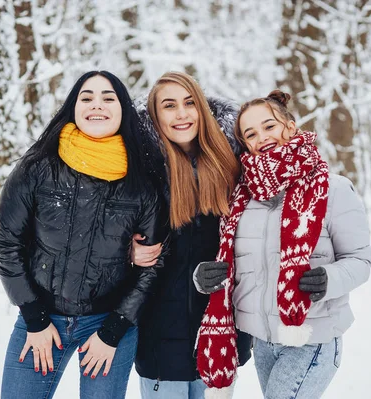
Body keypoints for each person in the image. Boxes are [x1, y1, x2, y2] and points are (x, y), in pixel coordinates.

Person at [0, 71, 164, 399]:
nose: (96, 105)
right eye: (86, 97)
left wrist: (114, 331)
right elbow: (6, 241)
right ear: (73, 107)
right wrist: (35, 318)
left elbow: (152, 265)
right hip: (41, 321)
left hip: (109, 325)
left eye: (108, 98)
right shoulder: (38, 168)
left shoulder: (142, 183)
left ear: (123, 109)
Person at [193, 90, 371, 399]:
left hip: (312, 335)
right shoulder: (241, 199)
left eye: (269, 126)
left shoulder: (333, 188)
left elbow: (359, 260)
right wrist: (203, 277)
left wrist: (330, 279)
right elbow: (234, 266)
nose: (261, 137)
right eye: (250, 133)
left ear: (290, 127)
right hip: (263, 340)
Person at [130, 71, 252, 399]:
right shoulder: (141, 170)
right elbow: (106, 228)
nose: (182, 113)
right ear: (155, 116)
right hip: (161, 340)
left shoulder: (233, 165)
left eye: (189, 103)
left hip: (219, 336)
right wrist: (126, 250)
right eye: (169, 106)